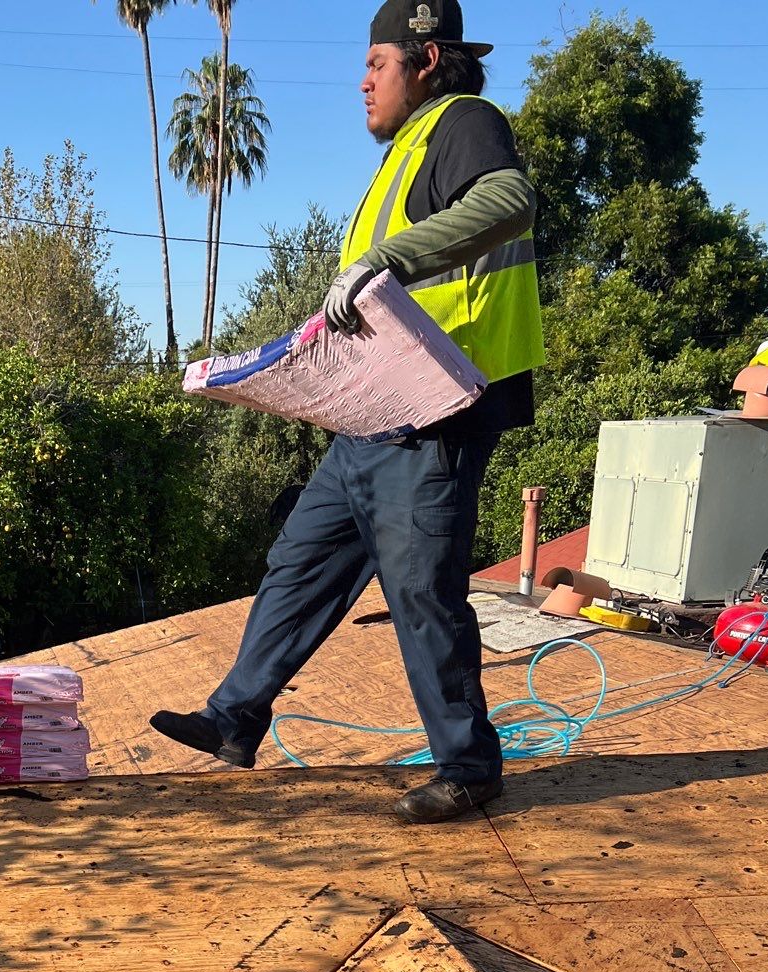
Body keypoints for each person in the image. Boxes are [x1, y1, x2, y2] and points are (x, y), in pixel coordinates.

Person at [151, 0, 545, 823]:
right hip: (372, 413)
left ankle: (469, 767)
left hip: (434, 409)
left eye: (377, 63)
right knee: (300, 562)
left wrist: (389, 256)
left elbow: (510, 198)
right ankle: (235, 717)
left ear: (427, 59)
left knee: (422, 591)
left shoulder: (463, 122)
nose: (361, 81)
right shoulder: (403, 154)